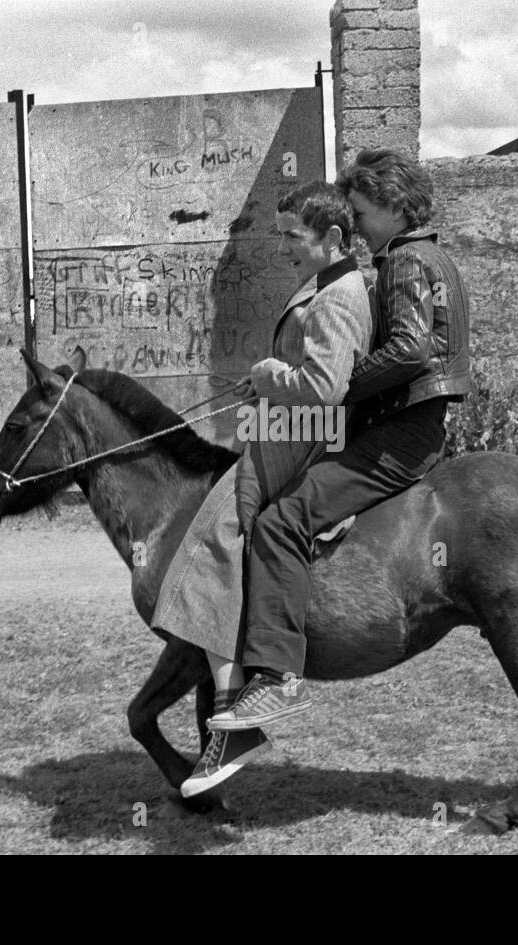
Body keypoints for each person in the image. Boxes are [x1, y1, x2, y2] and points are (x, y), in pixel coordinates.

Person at [207, 147, 472, 734]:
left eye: (360, 208)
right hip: (411, 426)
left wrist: (336, 386)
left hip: (402, 433)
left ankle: (277, 678)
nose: (354, 223)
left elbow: (411, 349)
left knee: (281, 521)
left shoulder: (402, 262)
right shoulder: (431, 257)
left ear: (393, 205)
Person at [151, 181, 373, 797]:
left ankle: (237, 723)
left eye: (292, 236)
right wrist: (270, 387)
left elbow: (324, 388)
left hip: (298, 441)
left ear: (332, 237)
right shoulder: (331, 283)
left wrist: (265, 373)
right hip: (282, 427)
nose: (284, 248)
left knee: (209, 551)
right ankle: (231, 710)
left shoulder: (337, 297)